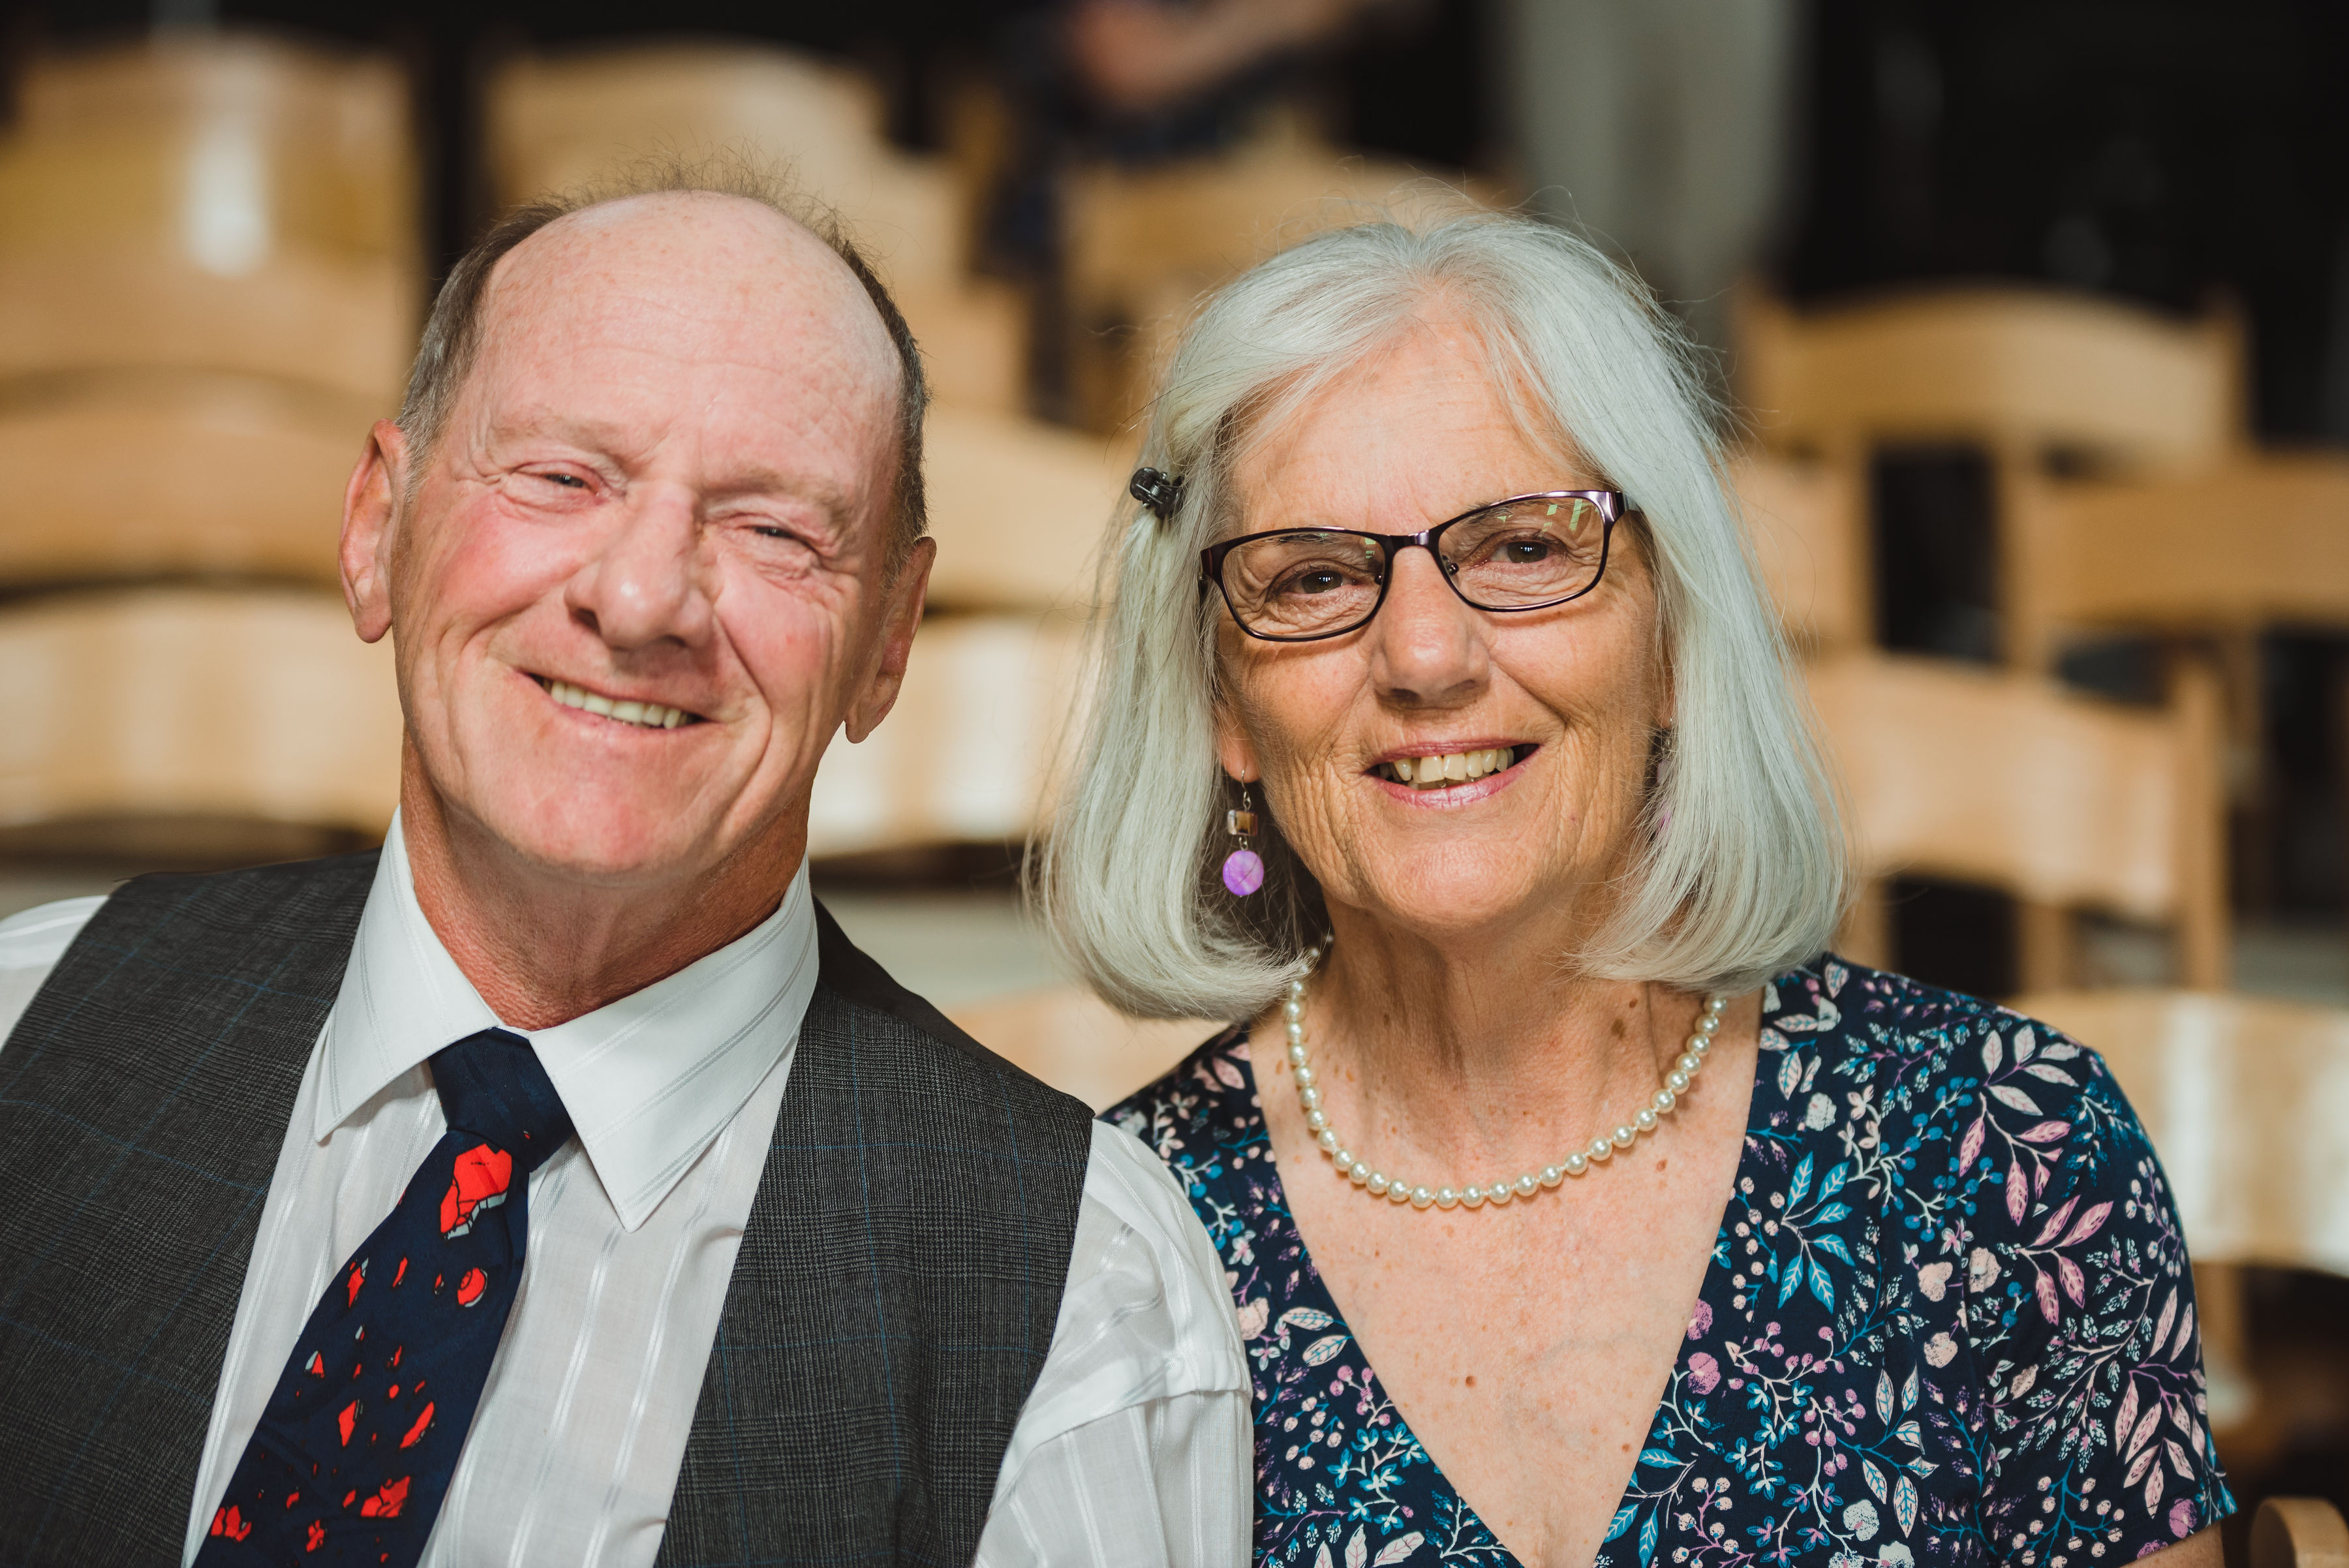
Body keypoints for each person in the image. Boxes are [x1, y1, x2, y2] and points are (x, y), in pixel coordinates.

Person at [0, 164, 1246, 1567]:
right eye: (560, 476)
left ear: (888, 641)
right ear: (375, 530)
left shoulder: (1083, 1300)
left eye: (775, 527)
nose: (644, 596)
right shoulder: (24, 1022)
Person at [1036, 213, 2235, 1567]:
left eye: (1525, 548)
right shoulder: (1111, 1253)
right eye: (1314, 576)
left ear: (1670, 639)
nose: (1426, 652)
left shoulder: (2010, 1159)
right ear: (1225, 708)